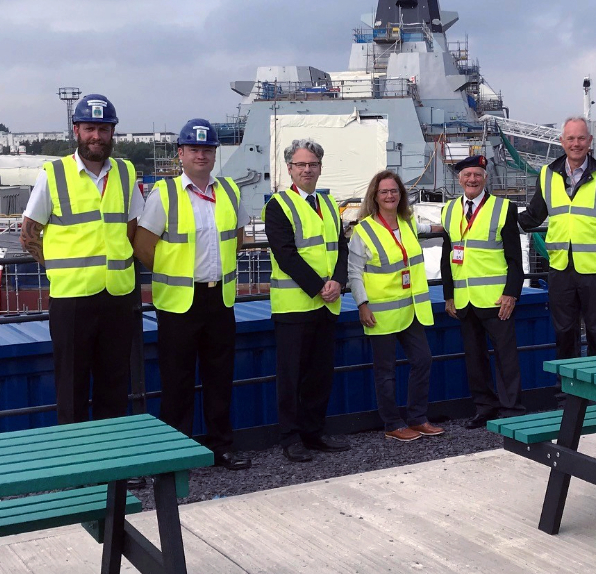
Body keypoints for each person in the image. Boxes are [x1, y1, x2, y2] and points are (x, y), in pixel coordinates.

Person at [133, 119, 251, 470]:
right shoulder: (164, 194)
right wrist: (180, 273)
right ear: (181, 154)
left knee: (219, 378)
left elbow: (239, 237)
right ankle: (176, 454)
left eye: (207, 149)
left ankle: (221, 447)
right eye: (194, 149)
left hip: (220, 300)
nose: (201, 155)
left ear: (215, 154)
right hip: (179, 304)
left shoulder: (229, 190)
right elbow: (143, 247)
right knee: (178, 382)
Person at [20, 93, 144, 425]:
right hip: (72, 301)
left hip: (117, 297)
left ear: (113, 133)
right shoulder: (54, 174)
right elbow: (29, 235)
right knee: (71, 391)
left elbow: (132, 228)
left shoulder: (126, 172)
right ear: (76, 130)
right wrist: (61, 268)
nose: (97, 136)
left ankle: (115, 472)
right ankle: (78, 473)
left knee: (114, 389)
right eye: (90, 128)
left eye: (104, 130)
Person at [263, 139, 352, 463]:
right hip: (294, 307)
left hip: (326, 304)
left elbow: (340, 247)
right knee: (291, 376)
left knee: (319, 375)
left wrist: (338, 281)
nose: (307, 169)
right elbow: (285, 254)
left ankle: (313, 433)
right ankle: (291, 438)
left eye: (312, 164)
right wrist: (320, 287)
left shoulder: (329, 204)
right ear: (289, 169)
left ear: (320, 167)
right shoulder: (278, 205)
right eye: (300, 164)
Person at [518, 116, 596, 367]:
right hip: (561, 269)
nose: (576, 143)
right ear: (562, 142)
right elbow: (534, 214)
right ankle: (568, 393)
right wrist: (502, 222)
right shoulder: (548, 175)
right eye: (570, 138)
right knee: (564, 334)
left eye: (581, 138)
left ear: (589, 141)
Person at [350, 170, 443, 442]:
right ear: (375, 197)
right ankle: (392, 423)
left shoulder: (407, 223)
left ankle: (417, 418)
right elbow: (354, 272)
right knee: (386, 371)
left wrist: (444, 228)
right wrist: (362, 304)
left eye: (394, 191)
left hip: (410, 308)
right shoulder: (364, 229)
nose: (390, 196)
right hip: (379, 311)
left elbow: (423, 231)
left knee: (423, 359)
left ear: (401, 195)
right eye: (384, 192)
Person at [440, 155, 526, 428]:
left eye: (477, 175)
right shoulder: (449, 210)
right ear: (459, 179)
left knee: (506, 357)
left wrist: (512, 293)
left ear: (485, 177)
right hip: (464, 300)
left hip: (496, 298)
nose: (472, 180)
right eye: (467, 175)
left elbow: (515, 257)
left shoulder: (503, 208)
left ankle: (511, 409)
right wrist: (448, 295)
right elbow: (446, 255)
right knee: (474, 358)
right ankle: (484, 407)